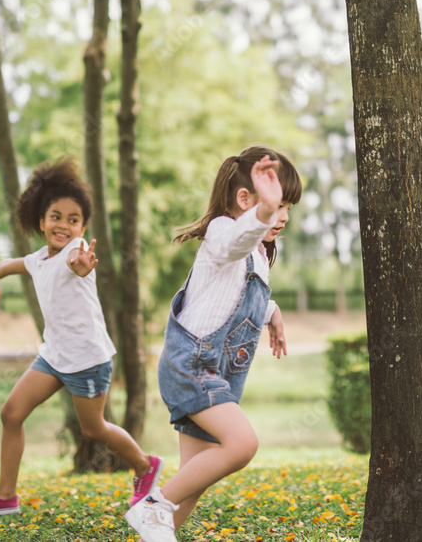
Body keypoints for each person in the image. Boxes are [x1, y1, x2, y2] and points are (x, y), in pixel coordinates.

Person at [0, 158, 163, 517]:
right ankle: (6, 496)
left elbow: (78, 261)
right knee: (11, 413)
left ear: (83, 227)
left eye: (73, 220)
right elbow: (12, 264)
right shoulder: (38, 258)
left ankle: (146, 467)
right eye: (56, 216)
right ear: (41, 221)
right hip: (54, 356)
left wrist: (82, 264)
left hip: (87, 359)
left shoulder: (76, 252)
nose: (64, 225)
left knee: (94, 428)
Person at [124, 146, 301, 542]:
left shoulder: (261, 252)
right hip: (192, 365)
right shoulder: (225, 232)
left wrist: (272, 312)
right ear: (245, 200)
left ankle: (158, 528)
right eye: (280, 205)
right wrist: (264, 212)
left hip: (215, 371)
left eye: (287, 206)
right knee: (241, 444)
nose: (284, 216)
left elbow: (232, 294)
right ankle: (151, 507)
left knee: (193, 479)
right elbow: (233, 244)